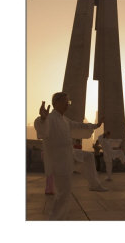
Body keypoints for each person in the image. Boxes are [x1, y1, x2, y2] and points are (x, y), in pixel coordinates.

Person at [34, 92, 102, 220]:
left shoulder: (64, 120)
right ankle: (54, 219)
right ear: (56, 103)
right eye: (66, 101)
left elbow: (78, 125)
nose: (68, 104)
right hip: (58, 161)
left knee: (88, 157)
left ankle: (94, 184)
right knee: (63, 194)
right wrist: (42, 119)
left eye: (68, 102)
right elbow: (41, 127)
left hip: (69, 155)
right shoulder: (50, 118)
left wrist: (95, 126)